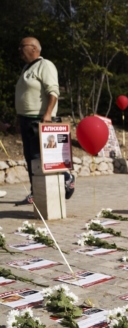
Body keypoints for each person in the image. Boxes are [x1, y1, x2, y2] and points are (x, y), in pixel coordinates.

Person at [14, 37, 60, 204]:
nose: (19, 50)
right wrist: (19, 118)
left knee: (40, 157)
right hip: (26, 119)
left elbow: (53, 91)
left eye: (22, 46)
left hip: (39, 119)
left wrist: (48, 114)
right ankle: (36, 192)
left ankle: (66, 178)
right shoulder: (26, 68)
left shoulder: (45, 65)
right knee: (30, 158)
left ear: (34, 48)